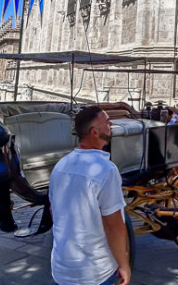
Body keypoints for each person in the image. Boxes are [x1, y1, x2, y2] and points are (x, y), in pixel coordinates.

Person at [50, 105, 130, 285]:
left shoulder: (60, 166)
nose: (111, 125)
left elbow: (53, 211)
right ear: (94, 132)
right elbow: (114, 225)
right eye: (106, 122)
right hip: (95, 272)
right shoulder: (106, 170)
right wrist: (124, 264)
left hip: (61, 269)